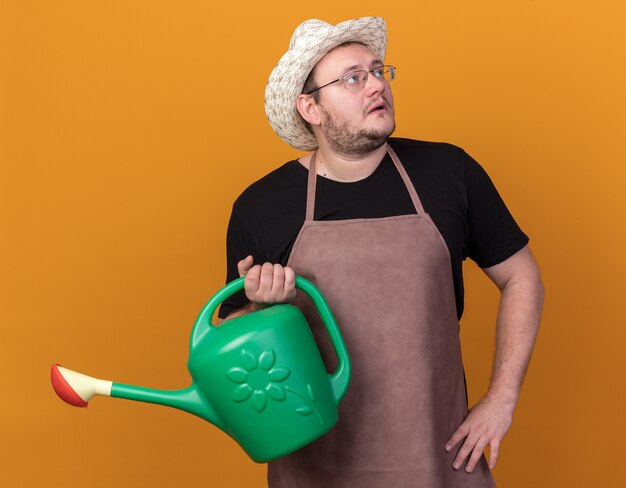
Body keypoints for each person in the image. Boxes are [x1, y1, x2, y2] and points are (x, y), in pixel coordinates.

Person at [217, 17, 544, 488]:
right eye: (352, 78)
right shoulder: (261, 207)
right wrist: (258, 307)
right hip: (314, 469)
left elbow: (523, 277)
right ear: (310, 106)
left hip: (439, 459)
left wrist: (502, 398)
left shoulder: (449, 173)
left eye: (378, 71)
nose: (375, 86)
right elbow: (234, 352)